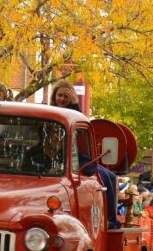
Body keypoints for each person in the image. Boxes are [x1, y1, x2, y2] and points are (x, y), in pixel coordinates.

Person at [51, 79, 121, 230]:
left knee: (111, 176)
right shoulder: (51, 113)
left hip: (76, 154)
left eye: (66, 96)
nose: (62, 99)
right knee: (99, 175)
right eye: (59, 96)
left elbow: (82, 129)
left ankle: (111, 219)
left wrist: (76, 103)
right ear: (54, 97)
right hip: (61, 156)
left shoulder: (74, 114)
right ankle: (108, 220)